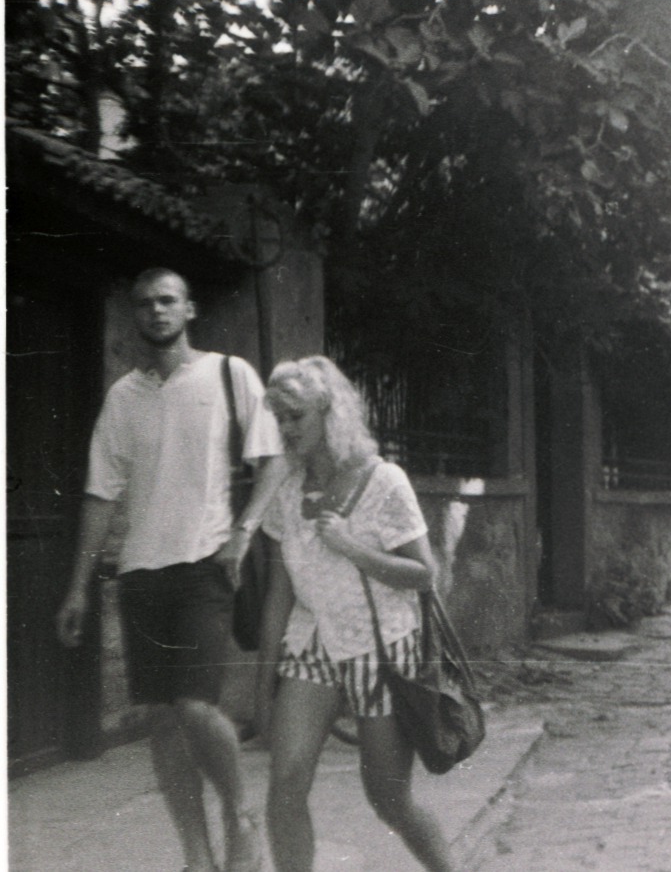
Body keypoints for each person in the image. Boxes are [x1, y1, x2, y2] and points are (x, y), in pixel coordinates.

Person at [55, 267, 282, 872]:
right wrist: (78, 588)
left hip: (207, 564)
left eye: (167, 301)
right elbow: (100, 494)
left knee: (197, 707)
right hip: (140, 574)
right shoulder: (122, 396)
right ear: (135, 315)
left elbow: (273, 463)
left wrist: (242, 533)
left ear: (190, 309)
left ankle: (241, 816)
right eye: (145, 304)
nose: (156, 311)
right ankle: (197, 855)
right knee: (161, 718)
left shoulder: (230, 374)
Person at [255, 356, 454, 872]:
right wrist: (260, 686)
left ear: (329, 412)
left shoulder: (385, 480)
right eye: (279, 418)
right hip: (313, 645)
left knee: (388, 798)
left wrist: (351, 547)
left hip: (382, 647)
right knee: (285, 784)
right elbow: (279, 594)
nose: (286, 429)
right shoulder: (285, 489)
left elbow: (423, 574)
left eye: (295, 416)